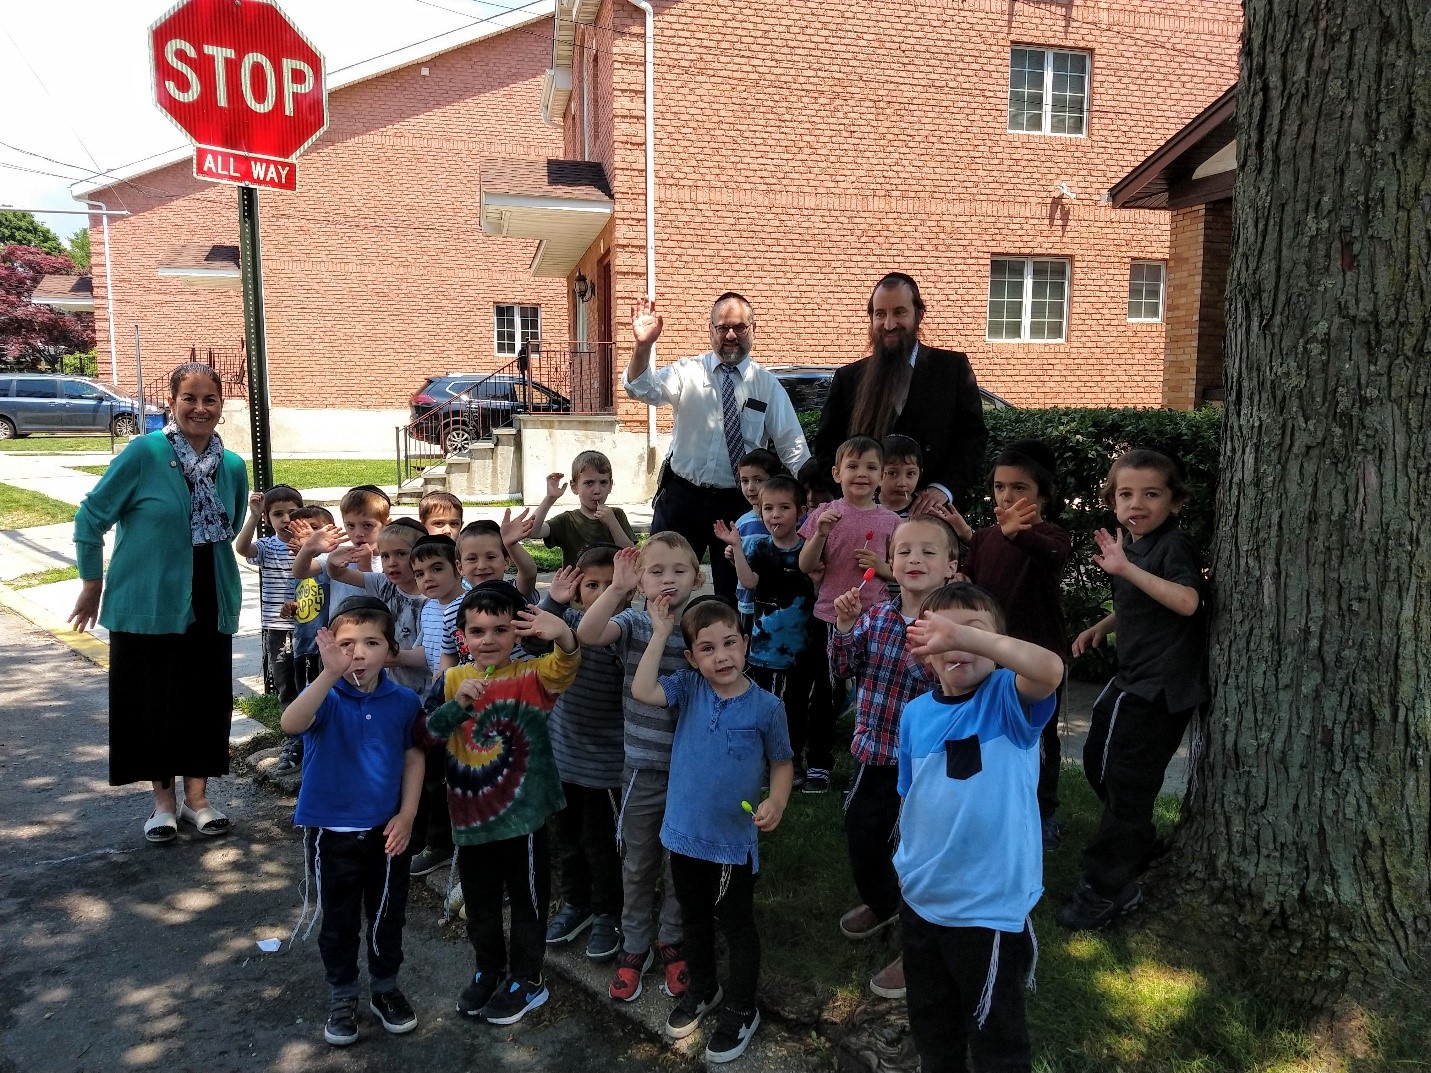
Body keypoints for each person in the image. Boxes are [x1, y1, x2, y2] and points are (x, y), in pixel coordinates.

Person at [69, 361, 248, 843]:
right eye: (189, 398)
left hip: (210, 598)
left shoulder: (232, 466)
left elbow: (227, 527)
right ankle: (162, 804)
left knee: (204, 701)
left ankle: (199, 800)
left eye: (209, 399)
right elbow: (90, 518)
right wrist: (92, 583)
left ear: (221, 406)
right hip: (147, 601)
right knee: (152, 702)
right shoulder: (144, 454)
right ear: (171, 402)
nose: (199, 408)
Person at [898, 583, 1065, 1073]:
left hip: (985, 908)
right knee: (932, 1022)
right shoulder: (915, 713)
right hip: (922, 899)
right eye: (942, 634)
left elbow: (1050, 669)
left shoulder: (1008, 700)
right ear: (922, 649)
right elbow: (910, 799)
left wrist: (968, 638)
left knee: (996, 1038)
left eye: (974, 633)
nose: (958, 644)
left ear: (996, 645)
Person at [632, 597, 793, 1064]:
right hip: (682, 834)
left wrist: (776, 800)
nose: (721, 656)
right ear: (691, 658)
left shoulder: (767, 707)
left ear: (745, 644)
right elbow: (643, 691)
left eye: (729, 643)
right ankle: (704, 988)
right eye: (707, 648)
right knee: (693, 919)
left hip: (731, 844)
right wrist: (660, 632)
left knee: (737, 925)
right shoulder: (688, 688)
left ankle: (743, 1007)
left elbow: (782, 763)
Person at [1058, 448, 1207, 931]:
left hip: (1160, 688)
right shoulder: (1132, 547)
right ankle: (1137, 842)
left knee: (1126, 786)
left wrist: (1125, 570)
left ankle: (1106, 888)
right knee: (1098, 763)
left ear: (1175, 502)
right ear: (1112, 500)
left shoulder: (1172, 545)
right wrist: (1104, 625)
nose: (1136, 504)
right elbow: (1144, 596)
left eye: (1151, 494)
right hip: (1131, 679)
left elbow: (1186, 601)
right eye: (1125, 494)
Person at [424, 582, 580, 1025]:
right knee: (482, 906)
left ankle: (528, 979)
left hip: (525, 817)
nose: (488, 639)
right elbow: (424, 734)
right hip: (472, 820)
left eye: (499, 630)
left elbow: (565, 667)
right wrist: (456, 706)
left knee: (530, 903)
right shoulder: (452, 681)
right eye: (477, 631)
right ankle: (488, 969)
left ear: (516, 635)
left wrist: (564, 635)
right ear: (462, 637)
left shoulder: (532, 677)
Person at [280, 597, 425, 1047]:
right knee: (339, 921)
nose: (357, 653)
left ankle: (385, 988)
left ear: (391, 649)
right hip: (331, 835)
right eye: (345, 644)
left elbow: (414, 756)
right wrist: (326, 673)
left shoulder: (403, 700)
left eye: (370, 642)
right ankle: (342, 995)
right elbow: (290, 723)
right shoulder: (326, 695)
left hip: (386, 833)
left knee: (387, 916)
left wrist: (406, 815)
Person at [829, 515, 959, 998]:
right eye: (904, 552)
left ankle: (916, 949)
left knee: (918, 857)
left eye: (928, 552)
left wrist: (929, 654)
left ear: (950, 566)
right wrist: (843, 626)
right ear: (890, 562)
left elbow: (954, 690)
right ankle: (882, 902)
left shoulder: (954, 626)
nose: (914, 560)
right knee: (863, 838)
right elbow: (845, 667)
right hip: (875, 752)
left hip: (929, 767)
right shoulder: (878, 615)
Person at [576, 536, 704, 1003]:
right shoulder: (631, 620)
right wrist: (615, 589)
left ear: (698, 577)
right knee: (638, 861)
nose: (668, 579)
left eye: (679, 570)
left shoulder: (701, 623)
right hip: (643, 771)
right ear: (641, 579)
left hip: (691, 772)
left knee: (679, 866)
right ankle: (634, 946)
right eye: (656, 571)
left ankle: (672, 941)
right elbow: (587, 635)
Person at [622, 292, 810, 601]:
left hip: (738, 504)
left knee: (732, 595)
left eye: (739, 327)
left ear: (753, 330)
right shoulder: (688, 372)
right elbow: (641, 388)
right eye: (722, 328)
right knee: (663, 588)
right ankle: (659, 644)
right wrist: (643, 346)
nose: (731, 335)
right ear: (711, 330)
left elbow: (793, 447)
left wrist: (814, 497)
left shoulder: (767, 385)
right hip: (682, 498)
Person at [952, 441, 1072, 849]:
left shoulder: (1051, 535)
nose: (1007, 496)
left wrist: (1017, 535)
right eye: (1000, 487)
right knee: (985, 726)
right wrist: (961, 582)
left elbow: (1050, 553)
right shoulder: (985, 537)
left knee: (1039, 736)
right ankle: (985, 799)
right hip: (990, 655)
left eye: (1019, 488)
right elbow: (971, 573)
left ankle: (1044, 812)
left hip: (1038, 658)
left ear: (1042, 493)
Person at [814, 273, 988, 514]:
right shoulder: (848, 378)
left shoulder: (952, 369)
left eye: (899, 312)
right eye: (880, 314)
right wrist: (854, 498)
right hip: (866, 518)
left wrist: (943, 489)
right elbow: (826, 448)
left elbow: (972, 440)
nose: (889, 324)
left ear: (918, 315)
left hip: (933, 518)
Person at [539, 547, 628, 963]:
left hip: (606, 767)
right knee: (569, 840)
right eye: (591, 586)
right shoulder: (569, 623)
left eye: (611, 586)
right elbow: (536, 630)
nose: (600, 593)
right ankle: (576, 904)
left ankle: (608, 912)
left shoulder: (626, 632)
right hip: (563, 760)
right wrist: (554, 599)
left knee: (602, 845)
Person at [715, 476, 824, 791]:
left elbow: (818, 591)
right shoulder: (758, 547)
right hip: (764, 648)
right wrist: (736, 547)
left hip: (800, 650)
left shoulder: (809, 551)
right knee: (762, 707)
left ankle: (792, 764)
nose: (775, 515)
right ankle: (763, 762)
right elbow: (749, 583)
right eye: (768, 509)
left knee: (795, 710)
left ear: (801, 511)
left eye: (784, 508)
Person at [406, 534, 466, 879]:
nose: (427, 578)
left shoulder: (464, 606)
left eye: (436, 568)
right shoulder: (430, 608)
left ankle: (446, 844)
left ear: (457, 568)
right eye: (420, 573)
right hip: (438, 704)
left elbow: (453, 663)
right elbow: (428, 656)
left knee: (446, 778)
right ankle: (436, 842)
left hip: (457, 706)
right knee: (432, 777)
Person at [236, 483, 305, 771]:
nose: (286, 519)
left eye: (293, 512)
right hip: (279, 628)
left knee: (310, 681)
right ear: (268, 519)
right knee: (287, 683)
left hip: (311, 628)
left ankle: (311, 734)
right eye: (278, 514)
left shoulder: (310, 546)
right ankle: (292, 737)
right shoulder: (268, 546)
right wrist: (252, 515)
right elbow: (242, 548)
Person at [325, 522, 429, 693]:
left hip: (422, 688)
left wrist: (384, 656)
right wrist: (332, 562)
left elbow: (428, 655)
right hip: (387, 685)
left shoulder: (431, 599)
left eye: (401, 554)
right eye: (385, 556)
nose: (391, 563)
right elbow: (338, 574)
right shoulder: (383, 583)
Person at [529, 451, 637, 567]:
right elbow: (533, 531)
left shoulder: (616, 515)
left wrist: (612, 523)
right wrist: (550, 499)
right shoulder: (568, 520)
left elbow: (632, 555)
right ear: (574, 487)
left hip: (614, 584)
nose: (597, 490)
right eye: (589, 483)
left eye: (603, 482)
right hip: (577, 584)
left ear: (610, 485)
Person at [730, 448, 781, 626]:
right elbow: (743, 564)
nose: (750, 488)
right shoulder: (742, 524)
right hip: (749, 602)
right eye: (744, 481)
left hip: (780, 600)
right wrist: (733, 555)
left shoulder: (785, 521)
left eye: (758, 480)